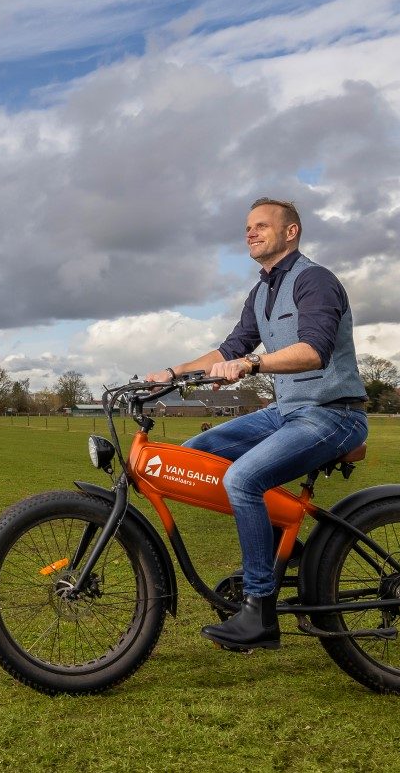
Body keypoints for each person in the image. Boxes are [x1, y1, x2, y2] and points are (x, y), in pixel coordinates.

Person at [144, 197, 368, 652]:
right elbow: (230, 349)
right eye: (248, 227)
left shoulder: (315, 281)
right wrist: (171, 374)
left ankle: (260, 610)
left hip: (334, 413)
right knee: (196, 455)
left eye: (262, 225)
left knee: (243, 479)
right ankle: (288, 548)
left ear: (291, 232)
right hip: (287, 410)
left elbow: (315, 350)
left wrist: (253, 364)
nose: (250, 232)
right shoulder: (261, 292)